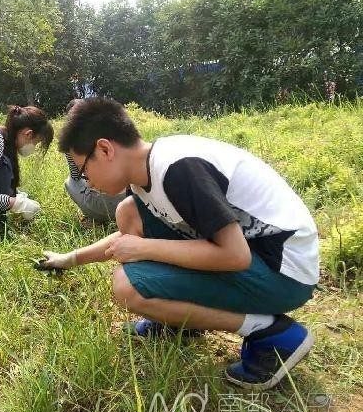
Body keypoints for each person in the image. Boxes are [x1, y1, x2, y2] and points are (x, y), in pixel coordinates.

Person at [40, 98, 319, 391]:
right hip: (257, 256)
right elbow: (127, 239)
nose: (87, 182)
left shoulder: (178, 169)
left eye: (84, 171)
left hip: (284, 273)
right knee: (128, 211)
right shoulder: (145, 170)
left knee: (126, 286)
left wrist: (145, 249)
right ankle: (179, 325)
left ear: (105, 149)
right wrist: (68, 259)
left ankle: (270, 333)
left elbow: (235, 256)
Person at [63, 99, 126, 225]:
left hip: (106, 205)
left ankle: (95, 216)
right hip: (132, 200)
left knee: (70, 181)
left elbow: (76, 176)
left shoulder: (71, 144)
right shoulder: (115, 129)